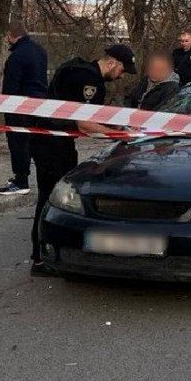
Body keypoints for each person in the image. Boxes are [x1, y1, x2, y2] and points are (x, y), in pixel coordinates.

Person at [30, 44, 135, 276]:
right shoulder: (90, 81)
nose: (121, 76)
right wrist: (117, 135)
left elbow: (88, 116)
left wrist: (115, 125)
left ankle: (46, 254)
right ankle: (43, 258)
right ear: (112, 63)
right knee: (55, 199)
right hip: (53, 143)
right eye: (122, 70)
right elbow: (84, 123)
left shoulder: (80, 70)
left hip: (51, 140)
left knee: (52, 197)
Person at [0, 21, 47, 196]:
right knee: (32, 143)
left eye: (7, 36)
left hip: (19, 106)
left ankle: (21, 181)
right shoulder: (40, 51)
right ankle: (30, 178)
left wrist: (5, 105)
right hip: (39, 104)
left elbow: (10, 86)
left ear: (11, 35)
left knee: (18, 143)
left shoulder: (16, 56)